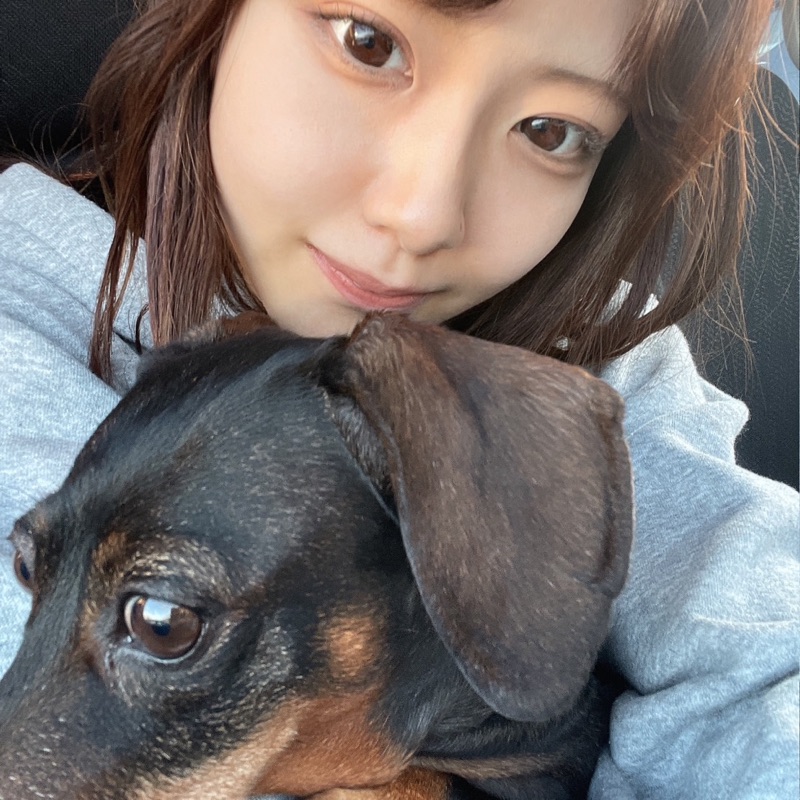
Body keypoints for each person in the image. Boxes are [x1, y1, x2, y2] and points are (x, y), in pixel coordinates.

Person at [0, 0, 797, 797]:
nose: (420, 216)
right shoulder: (21, 339)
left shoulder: (604, 366)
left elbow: (765, 674)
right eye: (369, 43)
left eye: (551, 131)